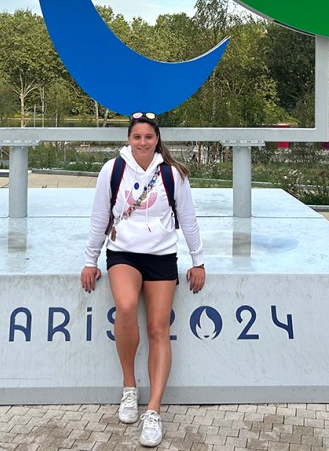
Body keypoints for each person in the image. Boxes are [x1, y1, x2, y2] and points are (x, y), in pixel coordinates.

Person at [80, 112, 205, 448]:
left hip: (162, 256)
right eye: (137, 137)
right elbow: (98, 217)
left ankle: (154, 411)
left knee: (157, 328)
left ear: (157, 139)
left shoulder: (173, 174)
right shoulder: (112, 170)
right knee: (125, 306)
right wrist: (90, 260)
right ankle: (129, 388)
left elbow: (188, 219)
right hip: (123, 253)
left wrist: (199, 260)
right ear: (128, 139)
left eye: (149, 137)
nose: (143, 143)